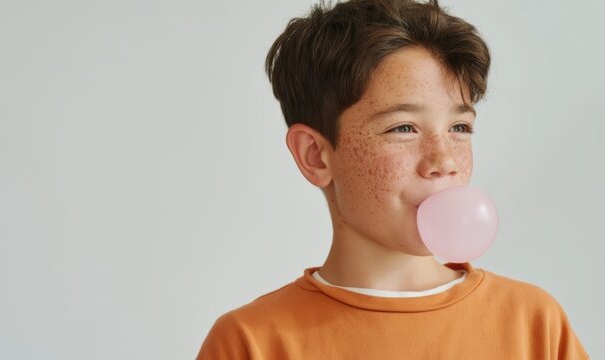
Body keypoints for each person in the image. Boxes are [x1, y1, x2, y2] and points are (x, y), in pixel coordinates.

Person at [196, 0, 589, 358]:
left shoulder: (534, 323)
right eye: (403, 128)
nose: (444, 160)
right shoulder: (250, 342)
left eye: (459, 127)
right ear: (315, 155)